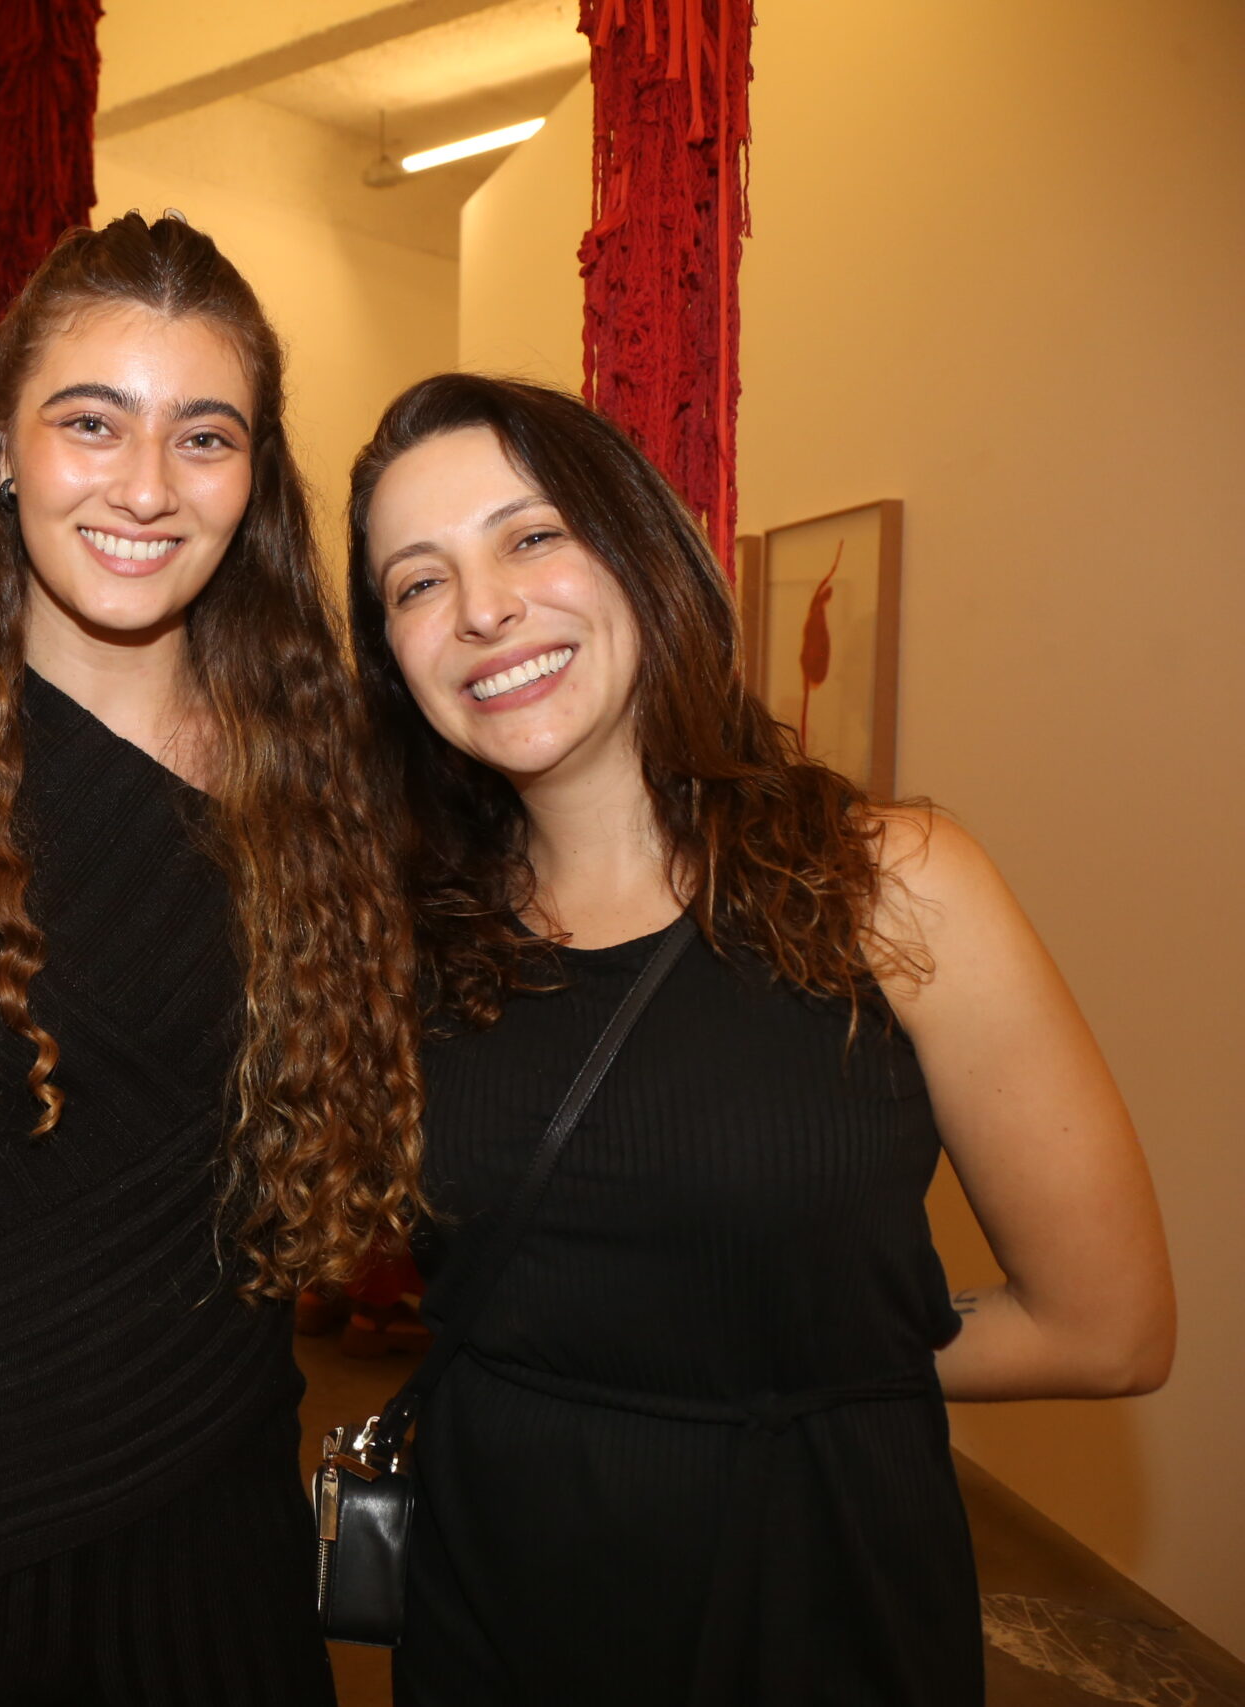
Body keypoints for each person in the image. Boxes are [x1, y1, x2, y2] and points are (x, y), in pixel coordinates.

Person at [346, 373, 1176, 1705]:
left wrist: (788, 1361)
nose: (481, 608)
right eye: (417, 583)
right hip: (493, 1591)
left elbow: (1110, 1329)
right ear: (392, 655)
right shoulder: (404, 934)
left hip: (803, 1583)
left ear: (641, 553)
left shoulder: (890, 886)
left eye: (531, 535)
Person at [0, 212, 425, 1706]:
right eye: (92, 422)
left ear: (255, 477)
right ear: (3, 446)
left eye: (204, 436)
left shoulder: (326, 791)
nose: (146, 486)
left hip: (209, 1520)